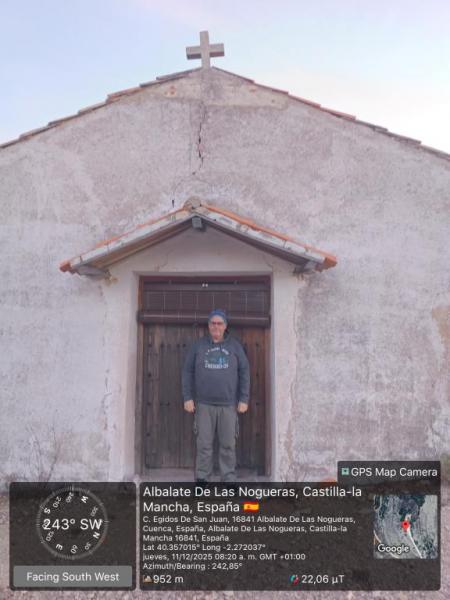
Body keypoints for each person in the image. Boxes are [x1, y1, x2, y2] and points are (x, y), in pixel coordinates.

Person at [182, 309, 250, 482]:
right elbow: (187, 371)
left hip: (228, 405)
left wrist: (244, 398)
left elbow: (244, 372)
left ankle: (228, 479)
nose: (216, 327)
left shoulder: (235, 347)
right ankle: (202, 478)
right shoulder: (198, 346)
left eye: (219, 323)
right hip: (204, 404)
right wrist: (187, 397)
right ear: (208, 326)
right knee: (204, 445)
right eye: (213, 323)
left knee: (228, 445)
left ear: (225, 326)